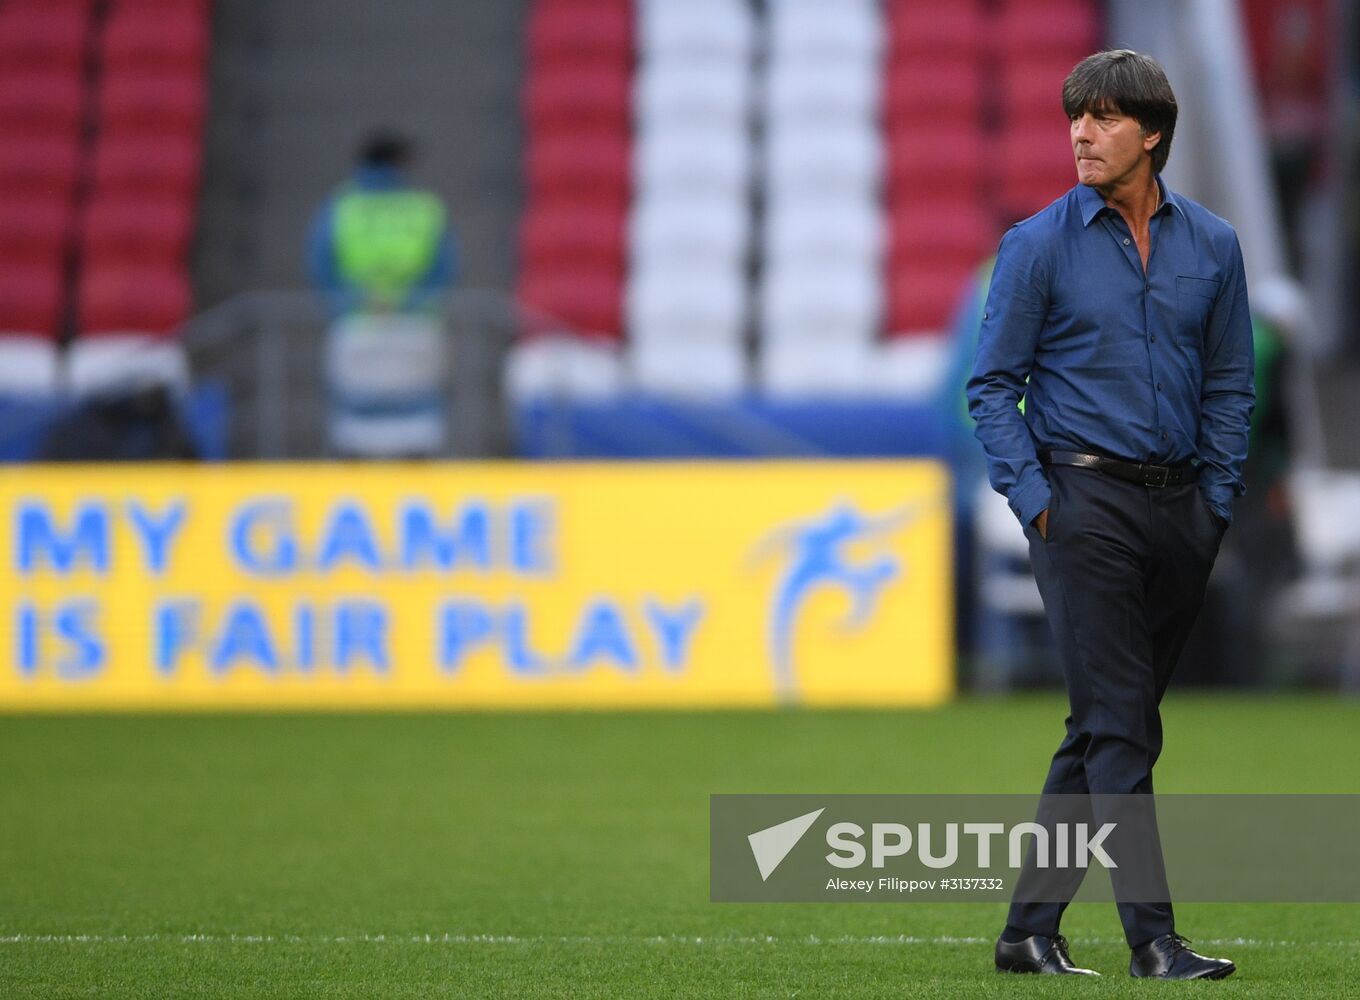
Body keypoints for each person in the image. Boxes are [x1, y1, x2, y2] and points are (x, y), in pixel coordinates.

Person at [967, 50, 1253, 980]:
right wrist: (1041, 504)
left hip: (1182, 511)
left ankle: (1026, 932)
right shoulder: (1036, 244)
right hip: (1080, 507)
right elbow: (991, 389)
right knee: (1125, 729)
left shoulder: (1214, 244)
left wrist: (1216, 501)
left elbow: (1231, 385)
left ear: (1153, 133)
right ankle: (1153, 942)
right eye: (1074, 118)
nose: (1082, 134)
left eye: (1103, 118)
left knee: (1104, 727)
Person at [307, 131, 457, 457]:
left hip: (355, 324)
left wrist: (352, 304)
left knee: (352, 426)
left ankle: (351, 494)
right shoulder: (425, 208)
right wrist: (406, 303)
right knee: (419, 425)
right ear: (402, 163)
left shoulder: (340, 207)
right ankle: (419, 496)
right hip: (416, 327)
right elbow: (445, 269)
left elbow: (320, 266)